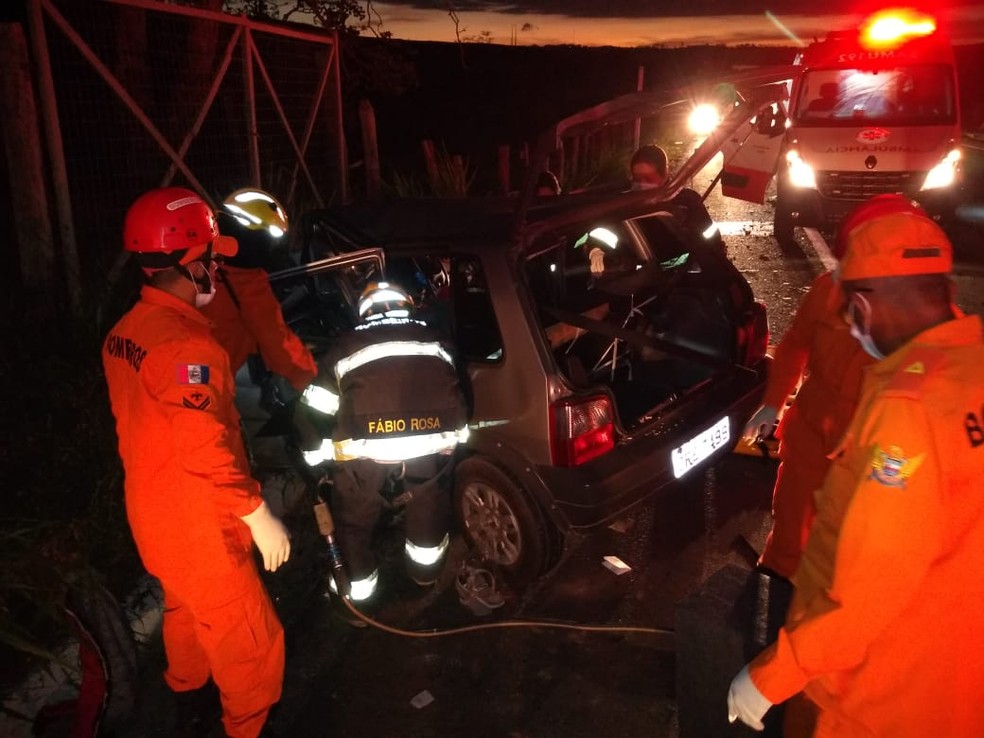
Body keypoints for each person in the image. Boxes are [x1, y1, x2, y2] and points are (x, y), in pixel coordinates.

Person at [728, 196, 984, 737]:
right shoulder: (969, 365)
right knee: (787, 557)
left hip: (874, 691)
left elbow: (873, 587)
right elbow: (795, 346)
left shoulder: (906, 411)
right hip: (948, 670)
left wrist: (774, 675)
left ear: (865, 304)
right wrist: (775, 403)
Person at [102, 187, 291, 738]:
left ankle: (189, 702)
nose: (217, 267)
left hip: (151, 514)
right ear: (188, 262)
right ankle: (246, 726)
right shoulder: (188, 348)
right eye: (211, 257)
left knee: (184, 612)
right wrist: (256, 513)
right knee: (251, 644)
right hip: (200, 523)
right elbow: (204, 445)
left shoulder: (125, 334)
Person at [740, 200, 929, 580]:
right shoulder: (829, 289)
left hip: (872, 453)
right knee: (791, 520)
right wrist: (773, 404)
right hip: (811, 434)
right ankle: (778, 579)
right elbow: (796, 345)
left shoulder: (931, 318)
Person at [298, 281, 469, 603]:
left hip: (363, 461)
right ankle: (424, 576)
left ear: (365, 312)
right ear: (407, 305)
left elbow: (314, 411)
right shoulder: (438, 340)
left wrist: (315, 460)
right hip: (429, 453)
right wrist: (453, 443)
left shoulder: (346, 345)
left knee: (354, 527)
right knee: (429, 513)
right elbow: (459, 395)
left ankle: (359, 601)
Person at [201, 188, 317, 405]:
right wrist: (311, 377)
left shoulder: (199, 266)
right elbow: (276, 344)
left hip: (183, 374)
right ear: (256, 238)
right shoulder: (246, 281)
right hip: (212, 385)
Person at [629, 143, 723, 252]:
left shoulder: (688, 201)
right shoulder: (626, 202)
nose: (641, 184)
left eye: (649, 179)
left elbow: (712, 240)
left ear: (665, 174)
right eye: (637, 179)